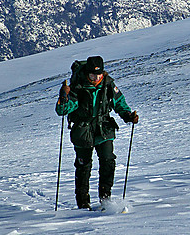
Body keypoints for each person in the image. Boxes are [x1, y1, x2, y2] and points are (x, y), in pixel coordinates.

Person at [55, 56, 139, 209]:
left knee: (108, 160)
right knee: (83, 166)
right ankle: (83, 203)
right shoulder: (77, 87)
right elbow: (63, 111)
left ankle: (105, 199)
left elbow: (119, 102)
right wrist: (63, 97)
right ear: (87, 73)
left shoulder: (108, 85)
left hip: (103, 127)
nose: (96, 78)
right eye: (93, 75)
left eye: (99, 75)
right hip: (83, 130)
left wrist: (128, 115)